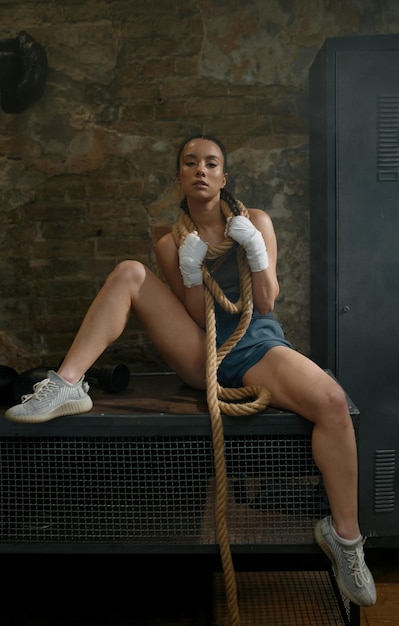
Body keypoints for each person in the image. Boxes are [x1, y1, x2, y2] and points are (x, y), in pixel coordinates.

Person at [5, 134, 376, 607]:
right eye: (190, 162)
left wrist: (253, 248)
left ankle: (344, 540)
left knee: (330, 401)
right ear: (180, 176)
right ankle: (68, 383)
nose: (201, 170)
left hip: (255, 344)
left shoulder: (255, 221)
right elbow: (200, 318)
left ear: (223, 177)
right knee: (128, 273)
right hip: (201, 350)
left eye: (211, 163)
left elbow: (264, 302)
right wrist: (188, 265)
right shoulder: (171, 241)